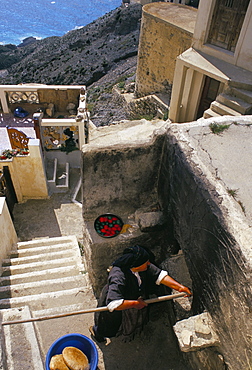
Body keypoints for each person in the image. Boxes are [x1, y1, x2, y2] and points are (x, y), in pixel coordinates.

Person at [89, 245, 192, 343]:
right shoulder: (118, 276)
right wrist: (135, 304)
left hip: (133, 298)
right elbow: (114, 303)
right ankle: (97, 333)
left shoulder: (141, 266)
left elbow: (159, 275)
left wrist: (179, 287)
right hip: (118, 304)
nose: (148, 264)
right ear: (136, 265)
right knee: (109, 326)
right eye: (146, 262)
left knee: (131, 319)